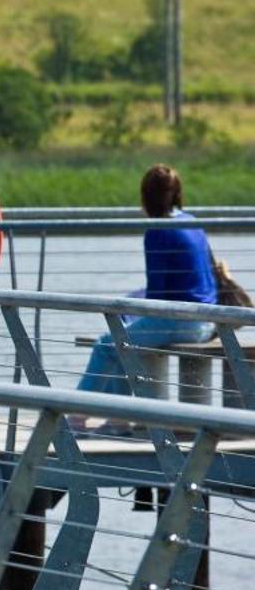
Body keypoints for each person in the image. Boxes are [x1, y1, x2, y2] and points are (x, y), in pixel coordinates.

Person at [71, 163, 216, 433]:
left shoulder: (158, 231)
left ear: (146, 196)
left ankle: (75, 419)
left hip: (182, 322)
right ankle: (118, 422)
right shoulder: (191, 221)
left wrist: (134, 313)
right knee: (120, 338)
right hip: (208, 320)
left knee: (108, 344)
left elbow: (157, 297)